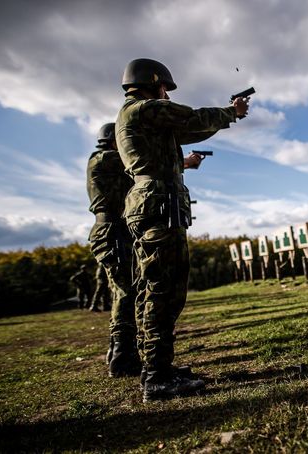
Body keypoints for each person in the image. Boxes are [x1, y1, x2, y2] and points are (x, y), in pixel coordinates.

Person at [116, 58, 249, 402]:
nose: (167, 95)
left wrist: (188, 159)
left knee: (155, 288)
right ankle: (158, 378)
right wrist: (230, 112)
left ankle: (157, 368)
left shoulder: (139, 116)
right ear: (153, 83)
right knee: (164, 290)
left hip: (155, 203)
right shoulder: (146, 109)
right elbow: (191, 120)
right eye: (165, 88)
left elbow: (183, 134)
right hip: (158, 204)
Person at [87, 122, 141, 377]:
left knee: (124, 291)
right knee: (126, 292)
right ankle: (122, 357)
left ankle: (117, 351)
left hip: (114, 230)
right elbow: (137, 162)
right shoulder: (104, 159)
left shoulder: (106, 160)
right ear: (112, 141)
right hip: (113, 231)